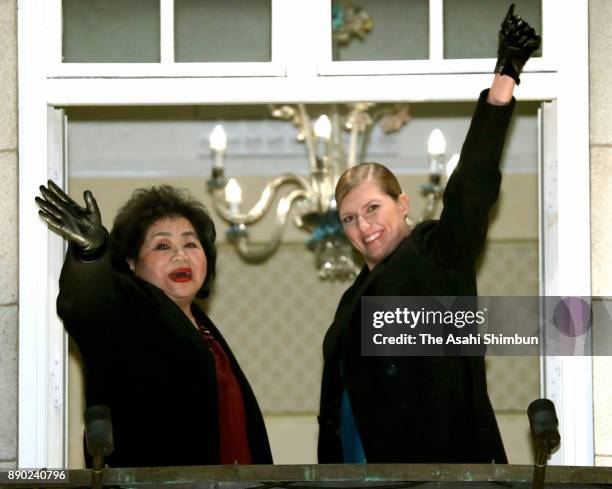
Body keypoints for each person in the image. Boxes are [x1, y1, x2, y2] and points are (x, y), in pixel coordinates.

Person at [317, 5, 541, 464]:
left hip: (443, 469)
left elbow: (471, 188)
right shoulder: (351, 299)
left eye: (373, 208)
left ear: (403, 204)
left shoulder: (436, 252)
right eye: (349, 218)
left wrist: (505, 79)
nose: (364, 226)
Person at [35, 183, 272, 467]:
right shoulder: (129, 311)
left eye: (190, 244)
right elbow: (89, 304)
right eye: (162, 245)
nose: (180, 255)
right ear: (131, 264)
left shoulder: (205, 329)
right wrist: (92, 255)